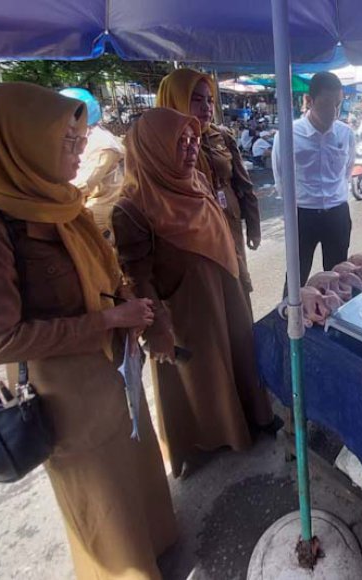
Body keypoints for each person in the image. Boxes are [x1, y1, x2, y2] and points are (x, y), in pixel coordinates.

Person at [0, 82, 177, 579]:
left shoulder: (60, 202)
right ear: (20, 145)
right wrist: (107, 321)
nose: (79, 153)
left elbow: (105, 271)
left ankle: (154, 546)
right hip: (64, 389)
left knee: (133, 460)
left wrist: (129, 305)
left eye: (79, 139)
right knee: (99, 489)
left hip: (112, 364)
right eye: (66, 143)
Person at [112, 108, 276, 480]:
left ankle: (250, 419)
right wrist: (157, 328)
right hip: (184, 304)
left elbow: (219, 224)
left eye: (192, 141)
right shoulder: (131, 207)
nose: (189, 150)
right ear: (152, 149)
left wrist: (238, 267)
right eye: (178, 143)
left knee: (237, 355)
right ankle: (208, 442)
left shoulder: (197, 179)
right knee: (201, 374)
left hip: (224, 289)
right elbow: (137, 276)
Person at [157, 69, 261, 311]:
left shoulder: (221, 136)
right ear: (175, 99)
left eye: (210, 100)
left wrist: (253, 226)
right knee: (207, 303)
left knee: (237, 289)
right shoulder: (158, 145)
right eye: (196, 99)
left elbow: (243, 183)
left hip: (228, 224)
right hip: (192, 234)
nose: (206, 107)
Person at [272, 72, 355, 286]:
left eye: (339, 104)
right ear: (309, 101)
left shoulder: (346, 134)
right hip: (302, 215)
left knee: (338, 278)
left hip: (337, 214)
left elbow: (347, 171)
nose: (334, 112)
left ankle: (332, 317)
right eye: (327, 104)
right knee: (296, 278)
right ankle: (290, 319)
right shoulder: (288, 134)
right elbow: (280, 178)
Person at [60, 88, 125, 244]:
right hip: (81, 206)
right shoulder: (81, 138)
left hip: (100, 212)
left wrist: (51, 192)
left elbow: (85, 183)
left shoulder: (103, 145)